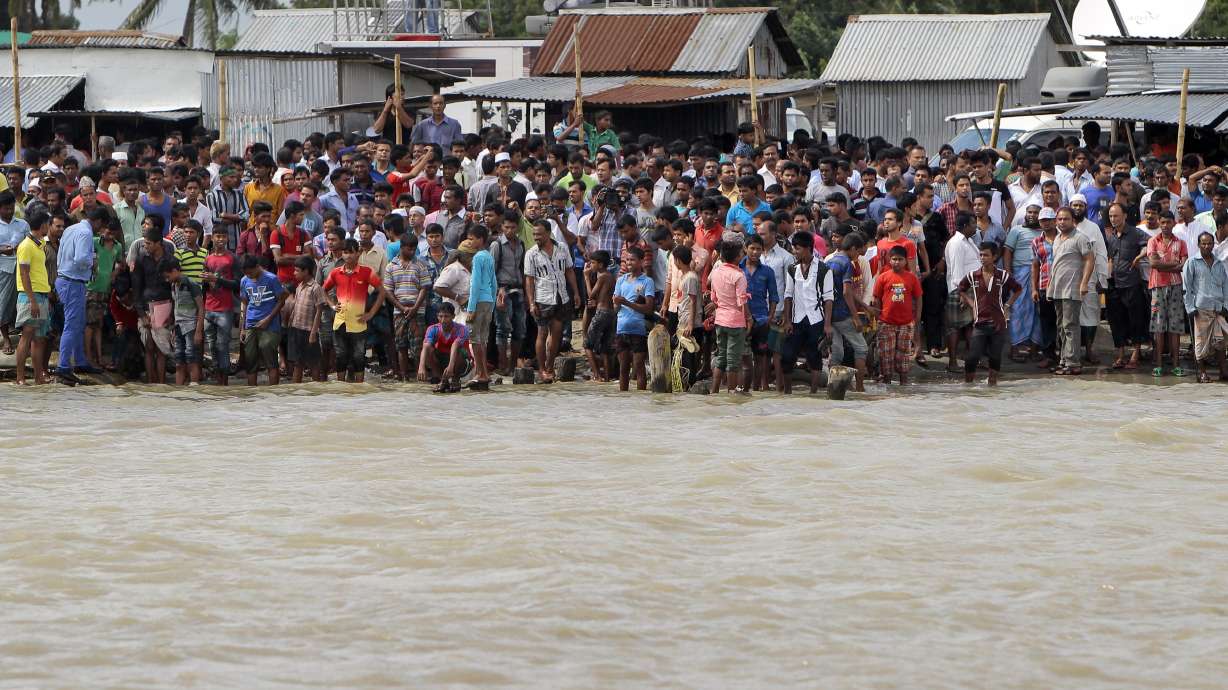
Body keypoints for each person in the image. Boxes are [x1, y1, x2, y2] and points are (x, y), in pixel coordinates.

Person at [958, 242, 1021, 385]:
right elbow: (961, 289)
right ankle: (968, 387)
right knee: (972, 357)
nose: (982, 258)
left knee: (995, 358)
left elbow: (1018, 289)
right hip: (980, 323)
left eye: (986, 255)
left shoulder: (1002, 275)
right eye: (980, 255)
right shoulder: (973, 276)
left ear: (994, 256)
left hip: (998, 323)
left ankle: (992, 386)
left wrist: (1007, 305)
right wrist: (971, 302)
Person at [525, 219, 580, 383]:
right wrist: (532, 302)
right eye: (534, 234)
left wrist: (576, 293)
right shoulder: (531, 254)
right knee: (542, 333)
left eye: (540, 234)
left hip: (561, 296)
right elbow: (529, 279)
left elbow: (569, 270)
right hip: (543, 297)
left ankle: (549, 366)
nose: (536, 237)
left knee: (556, 333)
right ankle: (542, 369)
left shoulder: (562, 248)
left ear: (548, 233)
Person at [322, 238, 384, 383]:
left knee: (358, 356)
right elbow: (323, 290)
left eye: (351, 252)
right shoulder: (335, 273)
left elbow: (382, 292)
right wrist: (331, 305)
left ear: (358, 253)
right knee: (340, 355)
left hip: (358, 322)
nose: (348, 256)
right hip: (340, 322)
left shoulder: (367, 272)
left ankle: (359, 386)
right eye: (345, 253)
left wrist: (371, 313)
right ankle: (340, 386)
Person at [781, 231, 834, 394]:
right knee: (788, 355)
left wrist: (827, 325)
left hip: (816, 319)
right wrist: (788, 320)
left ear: (808, 248)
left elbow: (828, 298)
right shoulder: (792, 269)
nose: (794, 252)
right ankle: (787, 391)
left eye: (797, 249)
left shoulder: (824, 269)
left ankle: (813, 392)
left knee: (814, 356)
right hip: (796, 319)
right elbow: (788, 295)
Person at [55, 208, 104, 378]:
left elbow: (61, 254)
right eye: (101, 226)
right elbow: (81, 259)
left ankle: (80, 361)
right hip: (73, 282)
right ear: (97, 222)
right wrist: (93, 263)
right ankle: (63, 366)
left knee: (79, 323)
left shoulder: (71, 228)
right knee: (72, 324)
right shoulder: (85, 232)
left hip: (65, 279)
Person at [1048, 207, 1096, 376]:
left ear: (1072, 220)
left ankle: (1073, 363)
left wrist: (1084, 283)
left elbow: (1090, 259)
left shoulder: (1080, 238)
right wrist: (1050, 286)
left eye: (1066, 219)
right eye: (1059, 219)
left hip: (1072, 288)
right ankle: (1064, 360)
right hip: (1057, 288)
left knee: (1070, 326)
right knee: (1061, 326)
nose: (1062, 222)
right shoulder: (1057, 239)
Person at [1104, 202, 1150, 370]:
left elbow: (1150, 245)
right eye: (1110, 216)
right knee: (1116, 320)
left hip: (1132, 283)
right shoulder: (1111, 236)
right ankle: (1121, 354)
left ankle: (1135, 354)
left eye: (1116, 215)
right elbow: (1109, 258)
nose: (1113, 219)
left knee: (1135, 320)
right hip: (1115, 283)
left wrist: (1139, 257)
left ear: (1125, 216)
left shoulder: (1136, 233)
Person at [871, 245, 922, 385]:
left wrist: (917, 316)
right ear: (889, 260)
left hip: (906, 323)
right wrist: (878, 318)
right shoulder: (882, 278)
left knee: (904, 357)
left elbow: (918, 298)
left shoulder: (912, 278)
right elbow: (876, 299)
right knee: (886, 357)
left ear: (906, 261)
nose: (896, 262)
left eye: (900, 259)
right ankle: (887, 386)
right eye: (894, 259)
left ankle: (903, 388)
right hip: (886, 323)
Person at [1147, 210, 1189, 377]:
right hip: (1157, 286)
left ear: (1173, 223)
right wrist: (1173, 264)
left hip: (1176, 286)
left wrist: (1163, 264)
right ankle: (1158, 365)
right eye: (1162, 222)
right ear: (1159, 222)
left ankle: (1176, 365)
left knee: (1175, 326)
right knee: (1158, 326)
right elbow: (1154, 264)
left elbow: (1182, 266)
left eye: (1168, 222)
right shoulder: (1152, 241)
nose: (1165, 226)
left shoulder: (1181, 242)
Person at [384, 239, 432, 381]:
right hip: (399, 312)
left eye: (413, 249)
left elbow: (425, 288)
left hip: (418, 311)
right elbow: (388, 291)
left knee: (417, 347)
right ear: (402, 248)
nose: (411, 252)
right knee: (401, 345)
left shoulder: (420, 264)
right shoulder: (390, 266)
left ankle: (420, 376)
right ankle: (404, 377)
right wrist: (401, 307)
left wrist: (415, 308)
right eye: (408, 249)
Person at [1182, 231, 1228, 382]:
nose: (1207, 246)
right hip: (1200, 309)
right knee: (1200, 343)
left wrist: (1225, 306)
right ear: (1198, 245)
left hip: (1218, 309)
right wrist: (1190, 308)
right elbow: (1187, 287)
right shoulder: (1192, 262)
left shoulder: (1219, 264)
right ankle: (1202, 373)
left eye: (1209, 243)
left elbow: (1226, 287)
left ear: (1213, 245)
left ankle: (1223, 371)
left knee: (1221, 342)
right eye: (1204, 243)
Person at [13, 210, 51, 385]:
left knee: (39, 339)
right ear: (43, 225)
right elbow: (24, 274)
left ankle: (38, 378)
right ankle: (20, 378)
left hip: (41, 294)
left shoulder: (40, 243)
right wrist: (32, 301)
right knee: (26, 336)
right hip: (30, 296)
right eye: (48, 224)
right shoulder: (26, 246)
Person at [239, 254, 288, 386]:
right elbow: (244, 304)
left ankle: (273, 392)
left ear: (257, 267)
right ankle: (252, 394)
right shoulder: (244, 280)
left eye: (250, 273)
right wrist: (242, 328)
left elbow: (282, 300)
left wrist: (268, 319)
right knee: (250, 360)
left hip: (270, 325)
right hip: (250, 323)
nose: (249, 276)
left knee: (269, 358)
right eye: (246, 273)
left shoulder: (271, 279)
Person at [1001, 202, 1042, 360]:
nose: (1032, 215)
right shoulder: (1017, 230)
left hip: (1040, 274)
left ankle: (1034, 348)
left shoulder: (1044, 232)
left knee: (1037, 310)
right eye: (1029, 212)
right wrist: (1008, 272)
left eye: (1035, 212)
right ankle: (1015, 347)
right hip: (1020, 273)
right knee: (1018, 309)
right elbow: (1007, 251)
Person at [709, 240, 750, 395]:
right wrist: (748, 318)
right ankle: (732, 393)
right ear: (736, 257)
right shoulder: (739, 275)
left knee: (721, 357)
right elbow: (741, 302)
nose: (743, 255)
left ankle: (714, 390)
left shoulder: (716, 272)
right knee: (733, 361)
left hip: (720, 319)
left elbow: (714, 298)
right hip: (735, 321)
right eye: (741, 253)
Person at [613, 245, 655, 391]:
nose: (629, 263)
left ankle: (640, 400)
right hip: (621, 328)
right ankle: (624, 399)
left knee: (638, 368)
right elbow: (615, 307)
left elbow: (649, 308)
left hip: (638, 329)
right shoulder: (621, 280)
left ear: (641, 261)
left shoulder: (647, 281)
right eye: (627, 260)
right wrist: (618, 304)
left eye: (632, 260)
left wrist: (626, 303)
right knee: (623, 368)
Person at [201, 226, 239, 385]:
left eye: (223, 236)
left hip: (225, 308)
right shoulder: (207, 258)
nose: (220, 239)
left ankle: (225, 378)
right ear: (212, 238)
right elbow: (204, 286)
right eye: (217, 236)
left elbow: (237, 284)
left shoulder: (232, 258)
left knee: (222, 344)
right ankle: (218, 376)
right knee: (211, 344)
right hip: (209, 308)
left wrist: (217, 280)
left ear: (228, 238)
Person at [943, 211, 981, 372]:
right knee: (955, 327)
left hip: (972, 290)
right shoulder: (957, 243)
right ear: (965, 225)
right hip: (960, 291)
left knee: (971, 326)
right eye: (973, 223)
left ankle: (972, 361)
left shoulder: (969, 241)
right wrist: (963, 294)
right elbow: (957, 273)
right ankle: (952, 363)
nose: (976, 226)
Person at [740, 235, 778, 391]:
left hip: (762, 320)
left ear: (763, 251)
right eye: (752, 248)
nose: (755, 252)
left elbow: (774, 296)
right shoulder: (737, 268)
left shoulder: (768, 271)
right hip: (740, 320)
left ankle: (755, 390)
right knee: (741, 358)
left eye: (758, 249)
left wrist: (770, 316)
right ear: (745, 249)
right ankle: (741, 389)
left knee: (760, 356)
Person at [465, 225, 496, 387]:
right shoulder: (489, 256)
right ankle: (484, 373)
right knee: (482, 339)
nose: (469, 242)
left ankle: (480, 373)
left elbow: (475, 284)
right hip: (488, 301)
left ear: (481, 240)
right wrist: (492, 305)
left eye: (472, 239)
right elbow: (494, 283)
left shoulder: (477, 257)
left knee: (474, 339)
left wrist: (471, 308)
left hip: (478, 301)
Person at [165, 258, 204, 386]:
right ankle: (179, 391)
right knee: (179, 361)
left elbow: (201, 308)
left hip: (191, 327)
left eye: (168, 276)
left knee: (191, 359)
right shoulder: (173, 285)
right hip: (178, 327)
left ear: (175, 271)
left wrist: (198, 331)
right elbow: (175, 306)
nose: (167, 279)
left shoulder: (191, 284)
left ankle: (194, 389)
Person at [0, 190, 30, 356]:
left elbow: (33, 244)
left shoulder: (22, 224)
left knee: (21, 305)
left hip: (23, 270)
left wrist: (20, 249)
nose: (9, 211)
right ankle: (6, 338)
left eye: (11, 208)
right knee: (3, 305)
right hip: (3, 270)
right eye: (5, 208)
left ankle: (23, 337)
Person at [285, 256, 323, 383]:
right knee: (298, 362)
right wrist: (291, 319)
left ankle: (317, 387)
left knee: (314, 363)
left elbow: (319, 310)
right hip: (297, 328)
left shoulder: (315, 288)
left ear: (306, 271)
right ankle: (296, 390)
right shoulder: (299, 286)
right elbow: (296, 305)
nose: (294, 273)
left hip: (309, 330)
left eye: (297, 270)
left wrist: (313, 332)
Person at [418, 301, 469, 390]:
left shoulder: (462, 328)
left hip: (460, 361)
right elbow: (426, 346)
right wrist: (421, 367)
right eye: (440, 316)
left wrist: (450, 366)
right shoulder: (432, 329)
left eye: (446, 316)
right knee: (428, 349)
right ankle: (442, 380)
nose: (443, 320)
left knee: (460, 352)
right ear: (437, 316)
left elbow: (455, 345)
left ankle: (455, 379)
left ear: (453, 316)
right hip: (442, 360)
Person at [583, 250, 616, 382]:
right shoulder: (610, 276)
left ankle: (597, 375)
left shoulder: (602, 276)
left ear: (601, 265)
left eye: (593, 263)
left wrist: (586, 277)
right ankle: (606, 378)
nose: (591, 265)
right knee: (605, 349)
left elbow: (591, 295)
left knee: (587, 345)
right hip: (611, 314)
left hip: (602, 312)